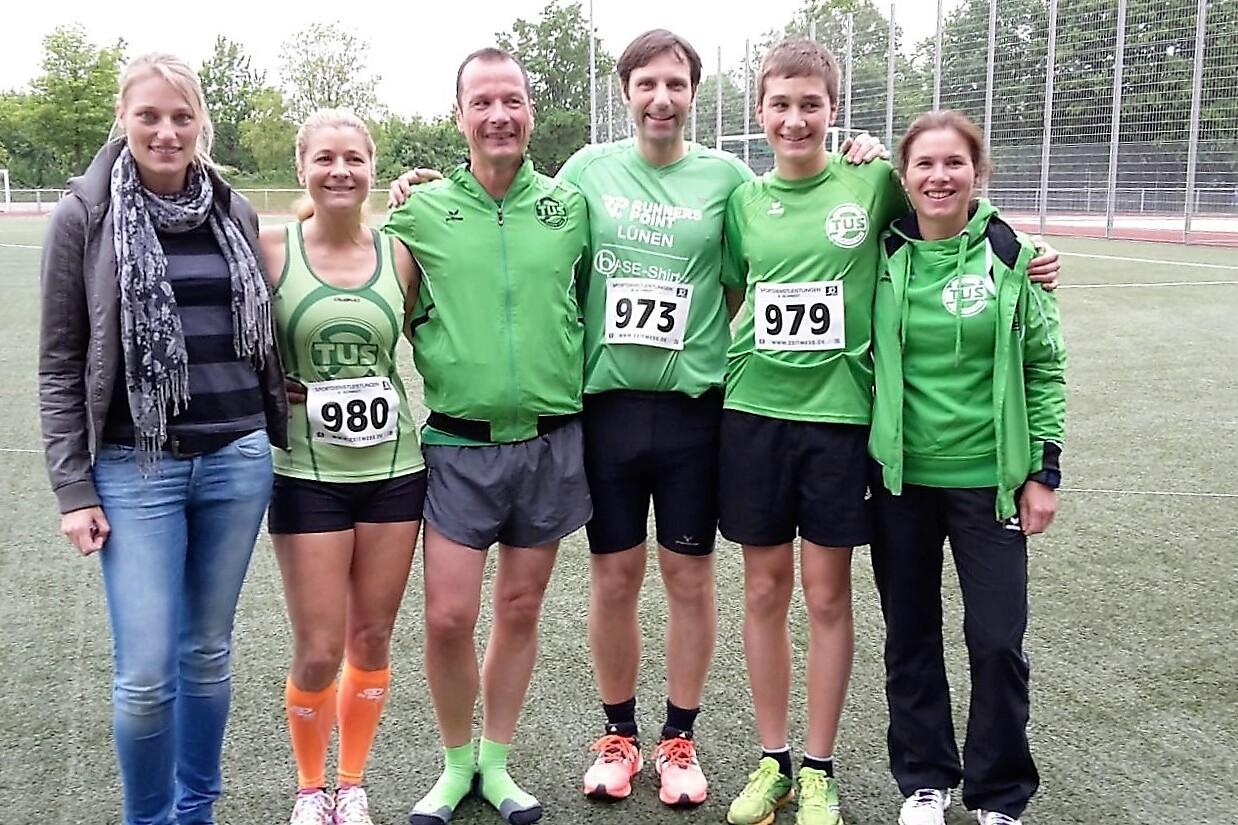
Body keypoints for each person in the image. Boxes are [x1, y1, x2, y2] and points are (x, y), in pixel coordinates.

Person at [391, 31, 887, 809]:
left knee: (688, 578)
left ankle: (678, 739)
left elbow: (744, 273)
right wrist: (422, 186)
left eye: (677, 84)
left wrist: (863, 149)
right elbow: (522, 215)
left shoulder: (727, 178)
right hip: (606, 411)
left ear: (695, 93)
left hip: (695, 412)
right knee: (615, 575)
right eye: (647, 83)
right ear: (625, 91)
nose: (662, 98)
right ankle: (618, 733)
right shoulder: (586, 171)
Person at [718, 42, 1060, 825]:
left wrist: (1029, 250)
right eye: (780, 104)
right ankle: (778, 760)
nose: (795, 118)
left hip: (845, 426)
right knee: (770, 590)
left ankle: (823, 770)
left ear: (835, 112)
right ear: (760, 113)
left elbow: (960, 214)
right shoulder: (744, 201)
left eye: (811, 104)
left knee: (832, 595)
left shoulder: (872, 180)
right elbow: (740, 287)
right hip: (758, 420)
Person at [38, 53, 286, 825]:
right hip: (132, 466)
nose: (167, 130)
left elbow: (256, 331)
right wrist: (72, 487)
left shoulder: (230, 208)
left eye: (181, 116)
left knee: (207, 652)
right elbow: (58, 363)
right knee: (145, 672)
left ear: (201, 122)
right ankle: (148, 819)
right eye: (149, 115)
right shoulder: (84, 215)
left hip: (237, 459)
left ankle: (196, 811)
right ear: (125, 119)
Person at [383, 48, 591, 825]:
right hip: (458, 446)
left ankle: (497, 765)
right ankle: (454, 762)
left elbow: (591, 301)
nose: (499, 115)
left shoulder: (570, 208)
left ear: (530, 110)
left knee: (520, 606)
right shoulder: (420, 213)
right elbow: (370, 303)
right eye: (483, 102)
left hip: (549, 441)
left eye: (512, 100)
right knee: (446, 615)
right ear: (460, 115)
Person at [868, 110, 1065, 825]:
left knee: (996, 639)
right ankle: (924, 780)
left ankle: (999, 793)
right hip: (901, 482)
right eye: (924, 164)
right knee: (910, 635)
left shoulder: (1011, 254)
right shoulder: (882, 253)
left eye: (954, 163)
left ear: (976, 173)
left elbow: (1045, 366)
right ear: (905, 178)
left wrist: (1043, 471)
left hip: (992, 482)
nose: (939, 176)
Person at [259, 109, 424, 825]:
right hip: (306, 475)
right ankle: (308, 787)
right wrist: (272, 384)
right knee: (320, 646)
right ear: (303, 168)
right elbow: (237, 340)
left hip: (394, 471)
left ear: (372, 168)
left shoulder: (402, 254)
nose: (340, 171)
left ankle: (350, 782)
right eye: (325, 158)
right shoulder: (270, 250)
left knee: (371, 638)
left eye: (354, 158)